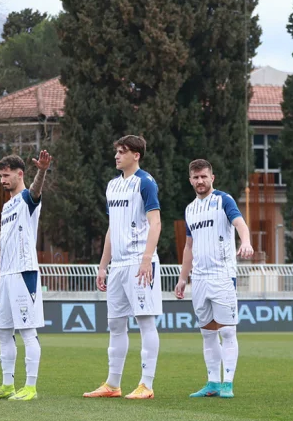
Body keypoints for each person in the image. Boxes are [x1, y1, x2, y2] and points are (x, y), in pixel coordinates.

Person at [83, 135, 162, 400]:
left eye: (122, 151)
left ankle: (146, 385)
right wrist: (103, 265)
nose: (117, 155)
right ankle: (112, 384)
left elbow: (156, 223)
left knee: (145, 322)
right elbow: (112, 228)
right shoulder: (112, 185)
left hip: (139, 262)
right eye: (116, 151)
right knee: (115, 324)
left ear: (136, 155)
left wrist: (147, 258)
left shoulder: (145, 182)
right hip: (117, 265)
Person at [174, 159, 254, 399]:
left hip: (222, 276)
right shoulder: (190, 209)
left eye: (204, 177)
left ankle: (227, 384)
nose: (200, 181)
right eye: (196, 177)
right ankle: (212, 383)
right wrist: (182, 278)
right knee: (207, 333)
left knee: (227, 331)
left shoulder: (223, 200)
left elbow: (240, 223)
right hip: (199, 279)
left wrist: (246, 242)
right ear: (190, 180)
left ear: (212, 178)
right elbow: (189, 246)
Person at [0, 151, 51, 402]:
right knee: (3, 331)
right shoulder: (6, 206)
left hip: (24, 272)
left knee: (27, 331)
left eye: (6, 175)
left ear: (20, 174)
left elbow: (36, 191)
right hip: (7, 276)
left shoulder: (27, 199)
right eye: (0, 176)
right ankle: (7, 385)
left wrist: (41, 170)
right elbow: (5, 244)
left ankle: (30, 387)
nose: (2, 180)